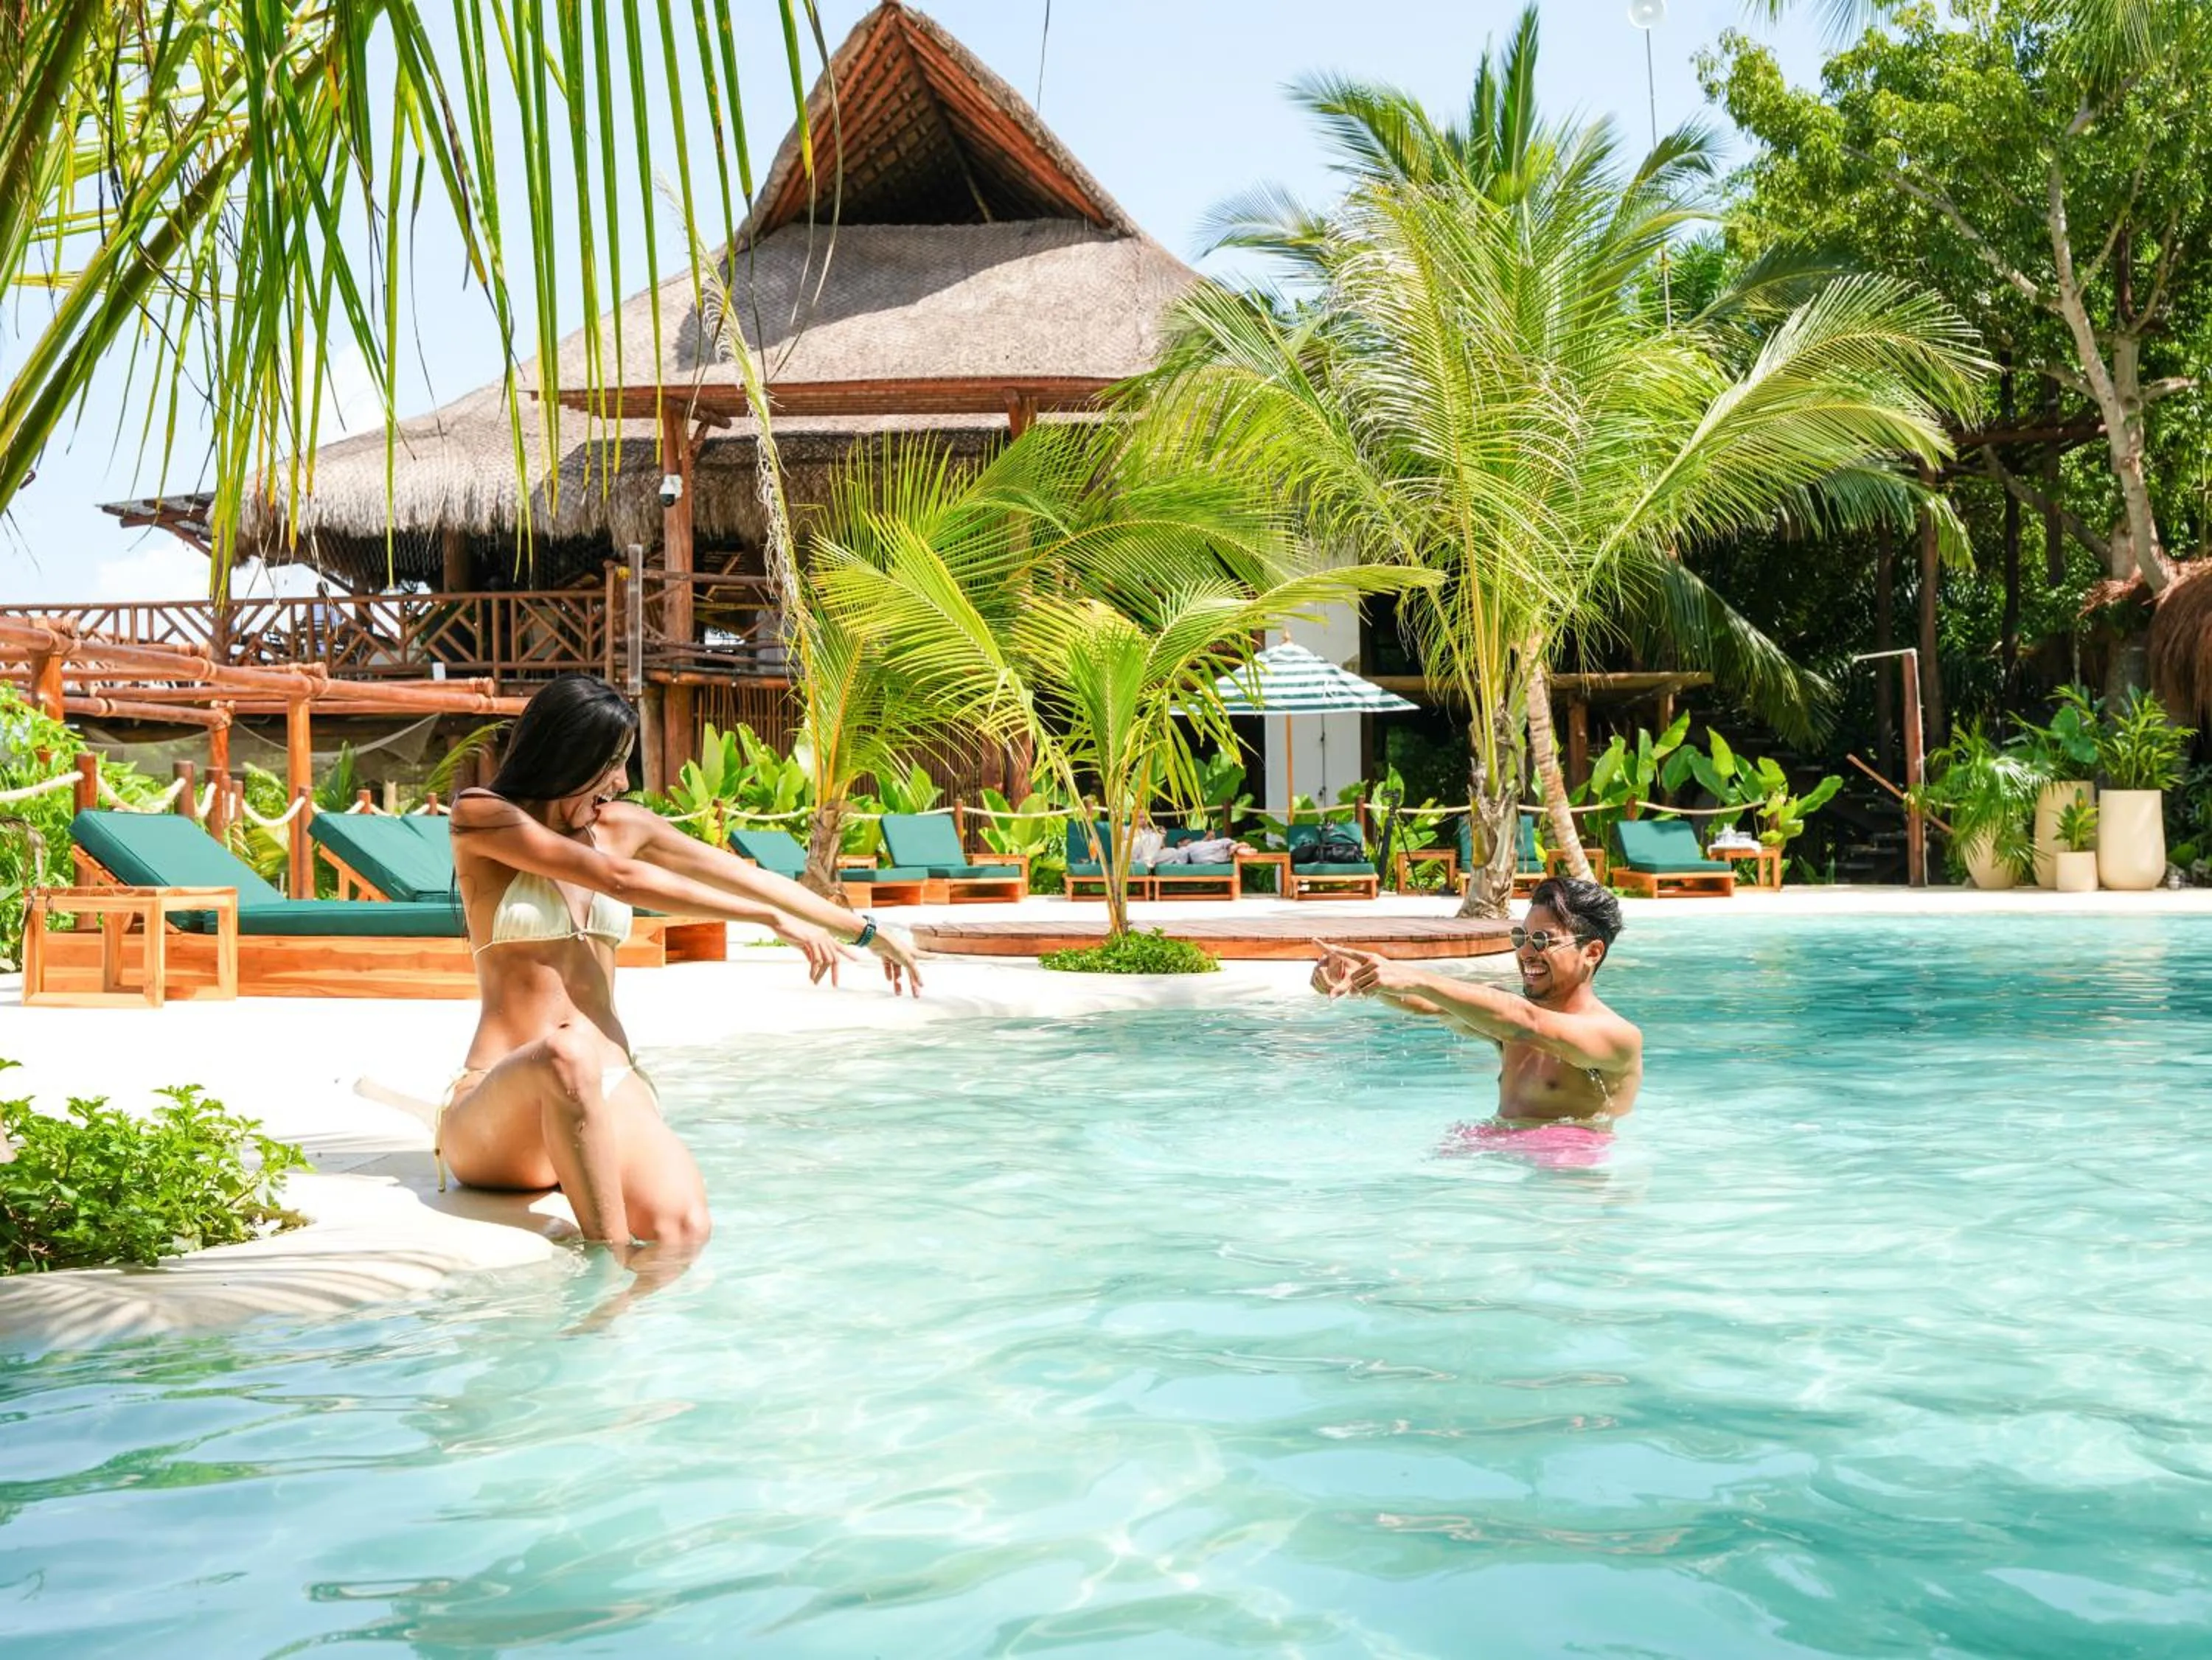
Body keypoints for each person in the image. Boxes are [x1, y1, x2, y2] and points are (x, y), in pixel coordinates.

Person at [439, 674, 922, 1285]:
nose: (621, 782)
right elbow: (617, 881)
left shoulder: (626, 826)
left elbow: (746, 877)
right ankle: (604, 1286)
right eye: (611, 763)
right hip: (508, 1101)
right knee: (566, 1053)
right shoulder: (480, 815)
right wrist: (766, 919)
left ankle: (615, 1352)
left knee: (682, 1229)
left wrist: (865, 931)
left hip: (612, 1086)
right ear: (567, 753)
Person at [1312, 876, 1642, 1135]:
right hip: (1501, 1147)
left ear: (1593, 952)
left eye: (1543, 940)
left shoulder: (1617, 1036)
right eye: (1521, 938)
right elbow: (1431, 1005)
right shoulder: (1503, 1016)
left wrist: (1414, 976)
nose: (1527, 953)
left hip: (1571, 1173)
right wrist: (1363, 979)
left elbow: (1526, 1023)